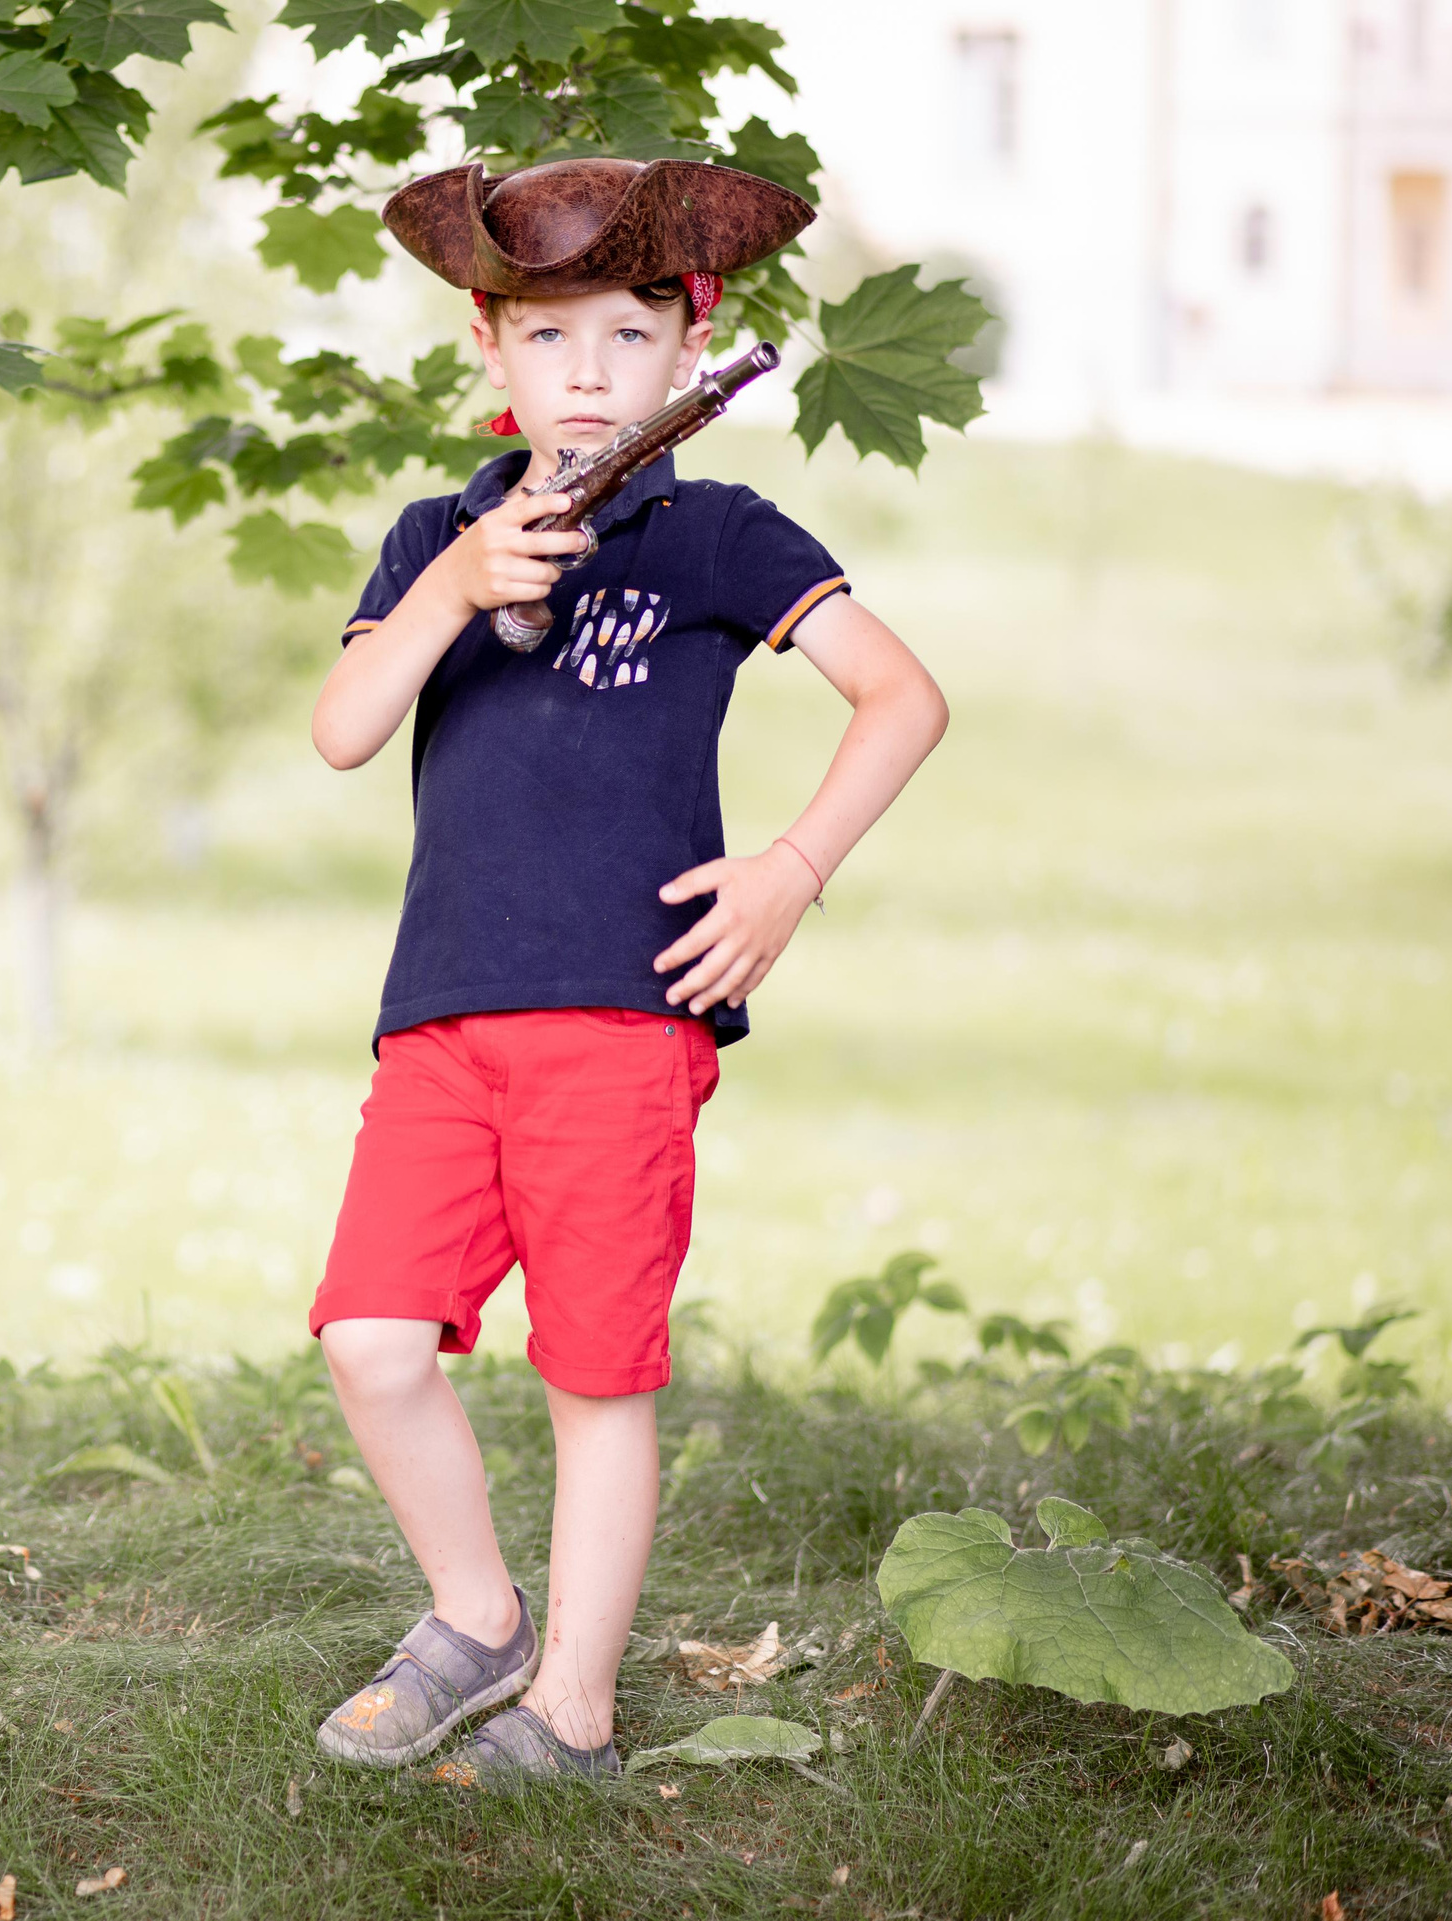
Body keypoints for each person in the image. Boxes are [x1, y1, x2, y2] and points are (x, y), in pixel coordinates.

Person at [305, 155, 951, 1785]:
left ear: (690, 344)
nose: (586, 373)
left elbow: (905, 698)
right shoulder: (436, 534)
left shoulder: (715, 531)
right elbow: (345, 727)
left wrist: (791, 868)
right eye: (546, 337)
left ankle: (575, 1710)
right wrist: (459, 580)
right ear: (488, 344)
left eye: (625, 336)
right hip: (442, 1020)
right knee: (371, 1338)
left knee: (596, 1374)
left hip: (622, 1022)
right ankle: (477, 1617)